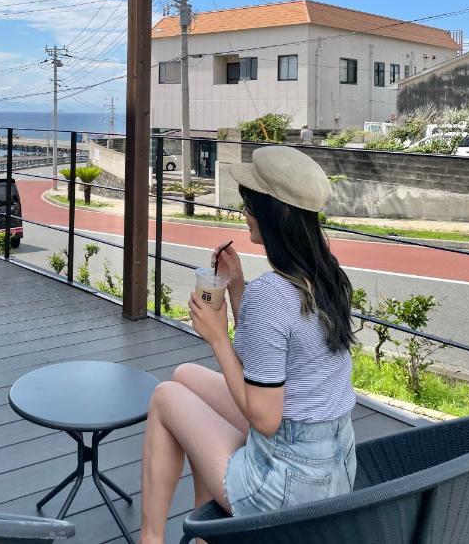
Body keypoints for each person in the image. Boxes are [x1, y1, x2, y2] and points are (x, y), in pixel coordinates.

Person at [139, 146, 357, 544]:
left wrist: (218, 336)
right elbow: (267, 361)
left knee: (166, 397)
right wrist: (237, 287)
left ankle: (151, 539)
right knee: (184, 375)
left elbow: (265, 418)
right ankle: (207, 533)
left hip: (285, 488)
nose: (244, 213)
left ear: (271, 215)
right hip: (334, 465)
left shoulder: (272, 294)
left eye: (248, 204)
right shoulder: (327, 275)